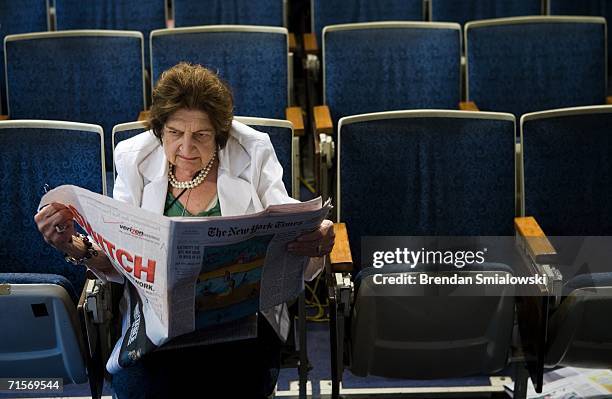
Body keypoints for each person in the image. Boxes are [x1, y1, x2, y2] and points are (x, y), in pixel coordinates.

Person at [35, 62, 335, 398]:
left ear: (220, 135)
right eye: (175, 133)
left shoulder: (253, 151)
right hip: (158, 325)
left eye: (202, 135)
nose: (187, 148)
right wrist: (71, 245)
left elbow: (289, 224)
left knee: (234, 381)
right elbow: (118, 260)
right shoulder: (132, 159)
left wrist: (317, 235)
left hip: (240, 323)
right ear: (160, 130)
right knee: (148, 386)